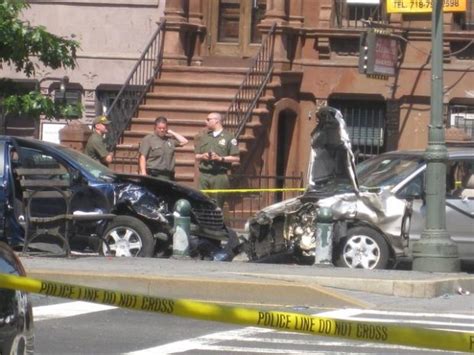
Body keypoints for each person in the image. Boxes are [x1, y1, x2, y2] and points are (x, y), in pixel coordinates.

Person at [194, 112, 240, 208]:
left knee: (217, 206)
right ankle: (204, 222)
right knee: (202, 204)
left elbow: (236, 158)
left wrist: (220, 158)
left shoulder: (229, 137)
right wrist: (203, 156)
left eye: (208, 119)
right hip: (204, 175)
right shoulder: (204, 137)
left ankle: (216, 222)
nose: (205, 121)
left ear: (216, 121)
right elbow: (196, 156)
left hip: (219, 176)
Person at [138, 116, 188, 180]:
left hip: (168, 176)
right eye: (159, 128)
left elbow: (185, 141)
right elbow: (143, 157)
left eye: (164, 128)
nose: (162, 130)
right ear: (155, 127)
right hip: (154, 175)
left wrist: (171, 132)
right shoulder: (149, 139)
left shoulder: (169, 140)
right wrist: (143, 172)